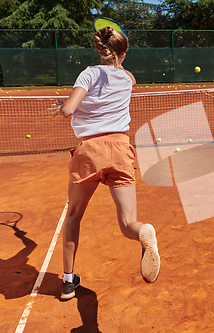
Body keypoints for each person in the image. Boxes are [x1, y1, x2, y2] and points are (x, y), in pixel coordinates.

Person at [50, 26, 160, 300]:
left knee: (74, 216)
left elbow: (69, 110)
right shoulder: (128, 78)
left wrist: (62, 106)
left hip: (91, 152)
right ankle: (143, 232)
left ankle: (67, 282)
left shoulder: (89, 73)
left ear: (98, 50)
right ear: (123, 53)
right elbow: (123, 73)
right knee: (127, 223)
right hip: (122, 149)